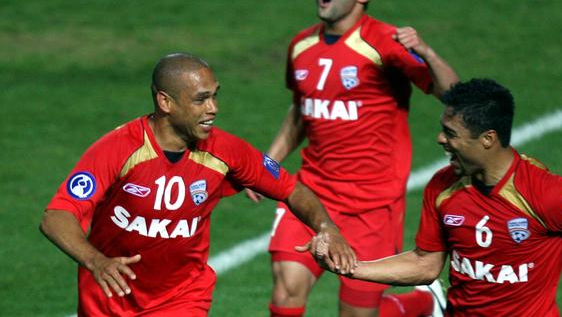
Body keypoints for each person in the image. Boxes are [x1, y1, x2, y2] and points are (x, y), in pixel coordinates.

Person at [39, 53, 357, 316]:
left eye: (215, 95)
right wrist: (96, 261)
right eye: (201, 99)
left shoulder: (226, 151)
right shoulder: (119, 149)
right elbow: (55, 217)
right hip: (108, 299)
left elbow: (292, 189)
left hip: (182, 297)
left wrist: (327, 226)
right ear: (165, 102)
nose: (213, 108)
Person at [245, 0, 459, 316]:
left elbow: (453, 95)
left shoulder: (385, 42)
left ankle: (423, 302)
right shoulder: (301, 45)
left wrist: (427, 52)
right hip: (311, 193)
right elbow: (301, 111)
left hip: (373, 205)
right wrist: (268, 163)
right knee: (286, 289)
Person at [314, 78, 562, 316]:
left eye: (451, 133)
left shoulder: (546, 193)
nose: (441, 139)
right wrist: (348, 267)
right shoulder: (443, 187)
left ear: (487, 139)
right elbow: (426, 265)